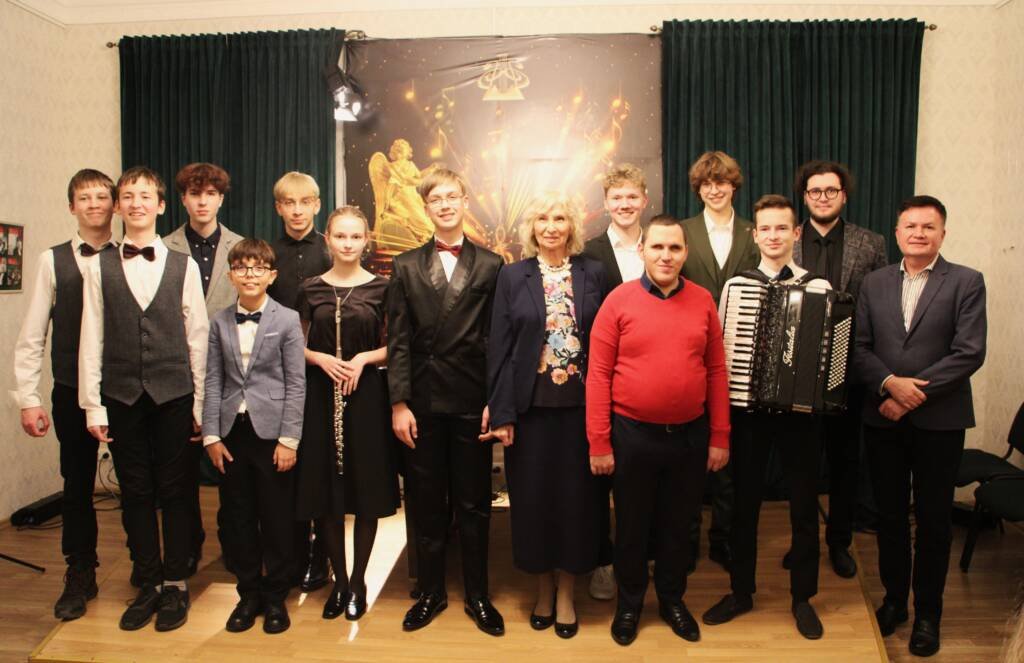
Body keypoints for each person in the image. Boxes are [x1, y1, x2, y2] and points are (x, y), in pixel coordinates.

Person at [587, 214, 730, 646]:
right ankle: (630, 604)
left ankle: (671, 600)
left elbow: (716, 370)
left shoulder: (703, 300)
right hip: (632, 436)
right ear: (642, 250)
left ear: (685, 253)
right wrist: (599, 441)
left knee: (678, 526)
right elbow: (598, 375)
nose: (666, 256)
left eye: (674, 248)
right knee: (632, 527)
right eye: (657, 247)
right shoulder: (618, 301)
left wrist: (720, 436)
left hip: (689, 436)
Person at [854, 195, 986, 658]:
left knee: (933, 522)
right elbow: (860, 348)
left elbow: (969, 352)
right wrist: (889, 385)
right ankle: (894, 602)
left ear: (942, 234)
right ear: (896, 233)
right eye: (910, 226)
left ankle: (928, 614)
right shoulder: (874, 282)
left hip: (940, 422)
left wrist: (911, 396)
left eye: (928, 227)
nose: (918, 233)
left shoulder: (966, 281)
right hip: (883, 418)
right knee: (889, 517)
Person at [79, 166, 209, 632]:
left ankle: (175, 583)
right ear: (118, 206)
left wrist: (200, 405)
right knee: (135, 492)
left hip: (175, 394)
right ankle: (148, 582)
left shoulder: (183, 265)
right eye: (128, 196)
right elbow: (91, 338)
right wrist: (93, 405)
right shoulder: (98, 267)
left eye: (145, 196)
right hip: (122, 395)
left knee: (176, 491)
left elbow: (197, 337)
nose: (136, 203)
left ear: (160, 205)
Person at [702, 194, 831, 640]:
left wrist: (826, 374)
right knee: (744, 504)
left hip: (801, 416)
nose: (773, 236)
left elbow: (828, 354)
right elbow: (721, 353)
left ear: (796, 233)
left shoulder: (819, 287)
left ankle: (803, 598)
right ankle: (741, 591)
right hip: (749, 411)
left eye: (782, 228)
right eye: (766, 229)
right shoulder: (737, 287)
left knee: (804, 506)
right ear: (754, 235)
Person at [388, 168, 505, 635]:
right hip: (423, 400)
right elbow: (397, 340)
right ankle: (431, 592)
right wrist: (399, 403)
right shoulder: (405, 265)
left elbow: (497, 340)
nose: (445, 204)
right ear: (426, 207)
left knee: (474, 503)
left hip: (473, 399)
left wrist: (496, 399)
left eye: (452, 196)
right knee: (426, 502)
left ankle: (478, 594)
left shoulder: (492, 264)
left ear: (465, 200)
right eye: (436, 198)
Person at [485, 193, 606, 638]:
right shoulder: (512, 275)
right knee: (533, 503)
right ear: (531, 227)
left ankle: (568, 592)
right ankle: (542, 590)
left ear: (571, 225)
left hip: (582, 410)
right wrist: (502, 412)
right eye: (542, 218)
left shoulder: (594, 271)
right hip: (530, 410)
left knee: (577, 503)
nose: (551, 226)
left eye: (559, 218)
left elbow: (608, 342)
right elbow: (499, 347)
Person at [13, 169, 117, 621]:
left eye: (101, 196)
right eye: (84, 198)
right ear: (71, 206)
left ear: (115, 204)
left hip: (125, 391)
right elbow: (32, 335)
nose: (94, 204)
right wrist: (28, 398)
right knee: (76, 484)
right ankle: (80, 571)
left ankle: (147, 569)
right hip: (71, 391)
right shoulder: (50, 260)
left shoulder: (133, 255)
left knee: (141, 484)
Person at [295, 206, 399, 622]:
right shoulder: (309, 288)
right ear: (328, 240)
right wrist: (319, 358)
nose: (348, 244)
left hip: (367, 394)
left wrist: (363, 360)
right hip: (321, 395)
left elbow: (398, 345)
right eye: (341, 236)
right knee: (328, 494)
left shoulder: (383, 287)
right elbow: (293, 345)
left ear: (366, 240)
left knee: (366, 490)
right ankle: (338, 581)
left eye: (356, 236)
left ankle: (358, 581)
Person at [790, 160, 888, 579]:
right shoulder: (787, 238)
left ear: (844, 195)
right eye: (815, 191)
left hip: (850, 373)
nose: (823, 197)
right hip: (796, 372)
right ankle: (803, 545)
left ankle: (839, 542)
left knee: (846, 463)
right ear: (805, 196)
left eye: (831, 190)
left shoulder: (871, 243)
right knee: (802, 467)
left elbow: (880, 307)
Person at [202, 238, 305, 634]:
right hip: (232, 433)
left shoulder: (287, 320)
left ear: (271, 276)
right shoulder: (219, 322)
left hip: (273, 435)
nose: (250, 274)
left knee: (277, 518)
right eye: (242, 267)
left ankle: (276, 595)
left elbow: (296, 384)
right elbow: (213, 381)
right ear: (231, 275)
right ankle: (247, 594)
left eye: (258, 268)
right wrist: (211, 435)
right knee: (238, 517)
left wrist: (289, 439)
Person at [164, 162, 245, 576]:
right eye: (194, 194)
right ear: (183, 199)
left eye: (210, 194)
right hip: (178, 374)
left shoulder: (242, 247)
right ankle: (188, 545)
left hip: (231, 376)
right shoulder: (163, 248)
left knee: (232, 467)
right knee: (181, 472)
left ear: (220, 199)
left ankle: (234, 543)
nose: (202, 201)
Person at [679, 151, 758, 571]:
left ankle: (723, 539)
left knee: (732, 458)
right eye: (707, 184)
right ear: (699, 189)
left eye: (722, 182)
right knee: (692, 458)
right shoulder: (682, 232)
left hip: (743, 356)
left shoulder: (753, 232)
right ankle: (688, 539)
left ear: (733, 185)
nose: (715, 190)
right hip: (691, 356)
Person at [582, 164, 647, 601]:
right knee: (598, 481)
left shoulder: (661, 244)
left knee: (640, 483)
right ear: (606, 203)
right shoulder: (588, 253)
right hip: (601, 376)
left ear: (644, 200)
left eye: (631, 197)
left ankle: (639, 560)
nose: (624, 205)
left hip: (648, 378)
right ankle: (603, 563)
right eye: (617, 198)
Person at [266, 171, 333, 592]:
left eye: (304, 201)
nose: (296, 210)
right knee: (285, 467)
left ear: (317, 205)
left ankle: (321, 557)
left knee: (319, 466)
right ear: (278, 207)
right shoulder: (268, 254)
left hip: (322, 371)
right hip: (276, 374)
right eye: (288, 202)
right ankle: (290, 556)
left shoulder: (331, 250)